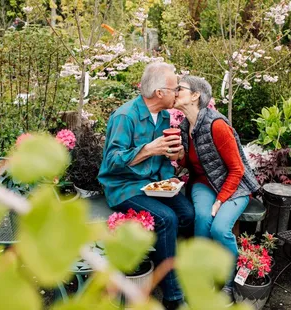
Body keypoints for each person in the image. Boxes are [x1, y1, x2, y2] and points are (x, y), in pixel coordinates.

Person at [98, 62, 195, 310]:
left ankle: (159, 262)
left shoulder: (163, 116)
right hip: (123, 187)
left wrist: (168, 177)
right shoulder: (125, 116)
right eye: (175, 88)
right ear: (160, 92)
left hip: (152, 185)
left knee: (187, 214)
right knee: (167, 219)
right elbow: (111, 162)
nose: (178, 93)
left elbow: (163, 158)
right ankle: (174, 296)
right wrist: (146, 150)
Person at [174, 75, 260, 305]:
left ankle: (229, 284)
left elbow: (237, 169)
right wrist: (180, 157)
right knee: (202, 218)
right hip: (203, 183)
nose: (174, 91)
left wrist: (220, 200)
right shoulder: (185, 126)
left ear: (195, 96)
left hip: (234, 185)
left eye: (179, 88)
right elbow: (193, 163)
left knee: (220, 229)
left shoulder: (217, 125)